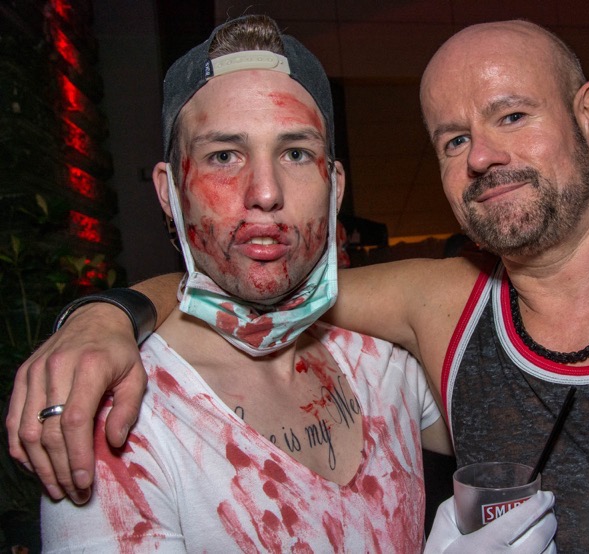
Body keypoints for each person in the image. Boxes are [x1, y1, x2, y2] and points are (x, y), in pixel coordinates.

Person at [11, 17, 589, 551]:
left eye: (513, 115)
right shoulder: (110, 419)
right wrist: (104, 315)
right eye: (454, 138)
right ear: (168, 191)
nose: (484, 156)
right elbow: (222, 297)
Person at [28, 15, 560, 553]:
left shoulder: (384, 360)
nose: (265, 192)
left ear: (335, 187)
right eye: (223, 155)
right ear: (169, 192)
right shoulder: (119, 419)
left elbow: (541, 429)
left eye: (296, 153)